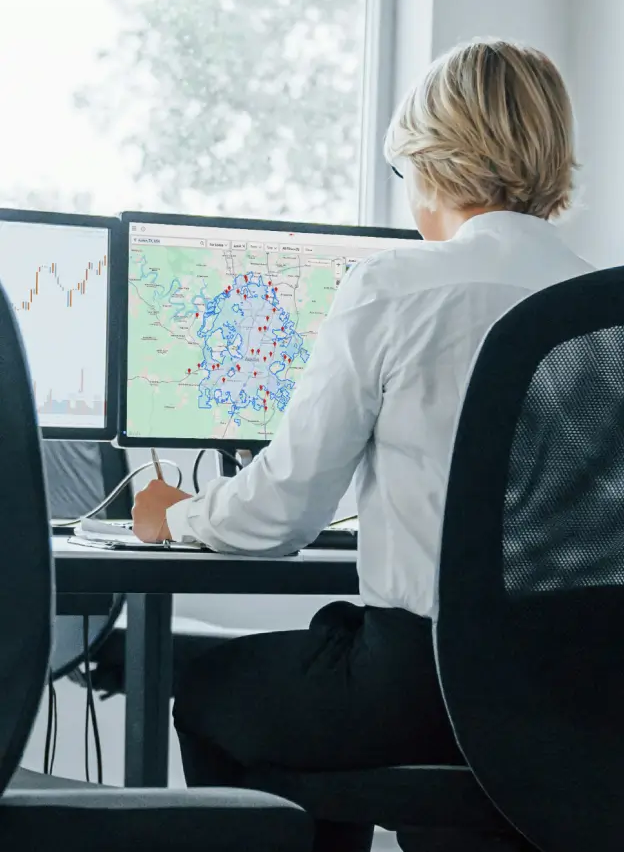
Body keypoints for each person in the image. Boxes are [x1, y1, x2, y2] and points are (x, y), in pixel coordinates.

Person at [132, 39, 592, 787]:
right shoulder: (619, 309)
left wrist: (174, 517)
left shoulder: (399, 286)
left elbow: (280, 515)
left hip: (427, 687)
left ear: (432, 161)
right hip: (577, 700)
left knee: (219, 692)